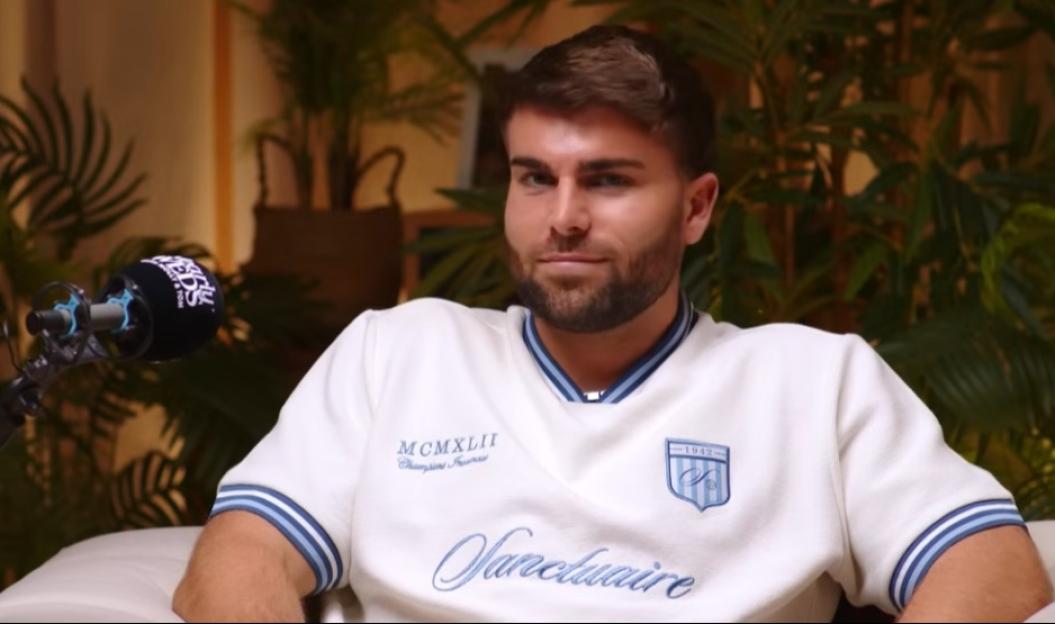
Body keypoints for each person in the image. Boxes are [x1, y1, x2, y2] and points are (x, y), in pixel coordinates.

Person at [173, 25, 1052, 622]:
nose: (560, 217)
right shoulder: (395, 353)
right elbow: (241, 554)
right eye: (532, 178)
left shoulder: (812, 383)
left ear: (697, 206)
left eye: (606, 180)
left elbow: (989, 564)